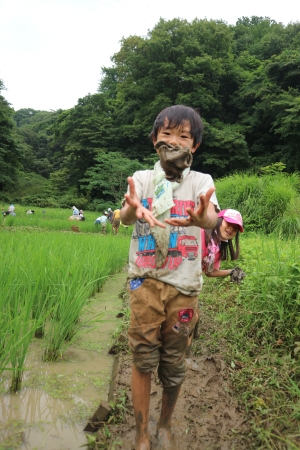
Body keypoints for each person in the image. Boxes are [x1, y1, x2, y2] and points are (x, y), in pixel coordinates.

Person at [120, 104, 219, 450]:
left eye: (183, 136)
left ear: (195, 146)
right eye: (167, 134)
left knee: (173, 364)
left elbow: (211, 219)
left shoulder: (201, 182)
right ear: (154, 141)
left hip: (184, 288)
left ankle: (165, 424)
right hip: (144, 283)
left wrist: (202, 219)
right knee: (143, 359)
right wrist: (131, 208)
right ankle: (141, 433)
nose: (174, 141)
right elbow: (128, 214)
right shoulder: (143, 179)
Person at [191, 208, 245, 341]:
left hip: (193, 282)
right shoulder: (200, 232)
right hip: (179, 277)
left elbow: (209, 272)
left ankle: (193, 338)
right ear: (219, 220)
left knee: (194, 314)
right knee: (186, 317)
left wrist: (230, 272)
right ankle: (184, 353)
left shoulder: (218, 248)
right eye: (229, 224)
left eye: (235, 228)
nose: (231, 229)